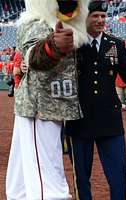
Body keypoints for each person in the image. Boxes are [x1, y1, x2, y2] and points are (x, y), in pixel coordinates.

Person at [65, 1, 126, 200]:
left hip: (109, 119)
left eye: (103, 16)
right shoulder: (73, 44)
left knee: (118, 173)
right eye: (95, 16)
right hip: (79, 119)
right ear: (85, 18)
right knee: (81, 177)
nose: (100, 20)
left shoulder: (116, 44)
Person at [6, 0, 90, 199]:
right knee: (48, 179)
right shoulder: (36, 22)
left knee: (21, 183)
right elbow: (31, 56)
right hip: (39, 107)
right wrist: (51, 47)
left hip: (52, 106)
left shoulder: (74, 26)